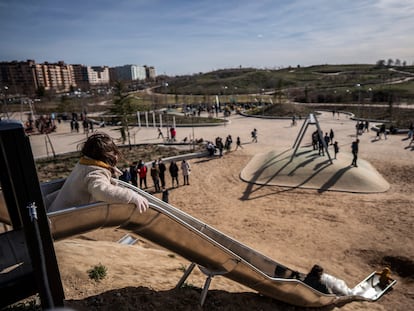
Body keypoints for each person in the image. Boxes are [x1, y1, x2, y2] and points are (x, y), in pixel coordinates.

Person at [48, 133, 148, 213]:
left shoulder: (84, 163)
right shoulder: (95, 172)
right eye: (114, 153)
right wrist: (131, 196)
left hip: (56, 209)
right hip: (63, 218)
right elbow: (101, 191)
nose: (117, 156)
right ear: (107, 156)